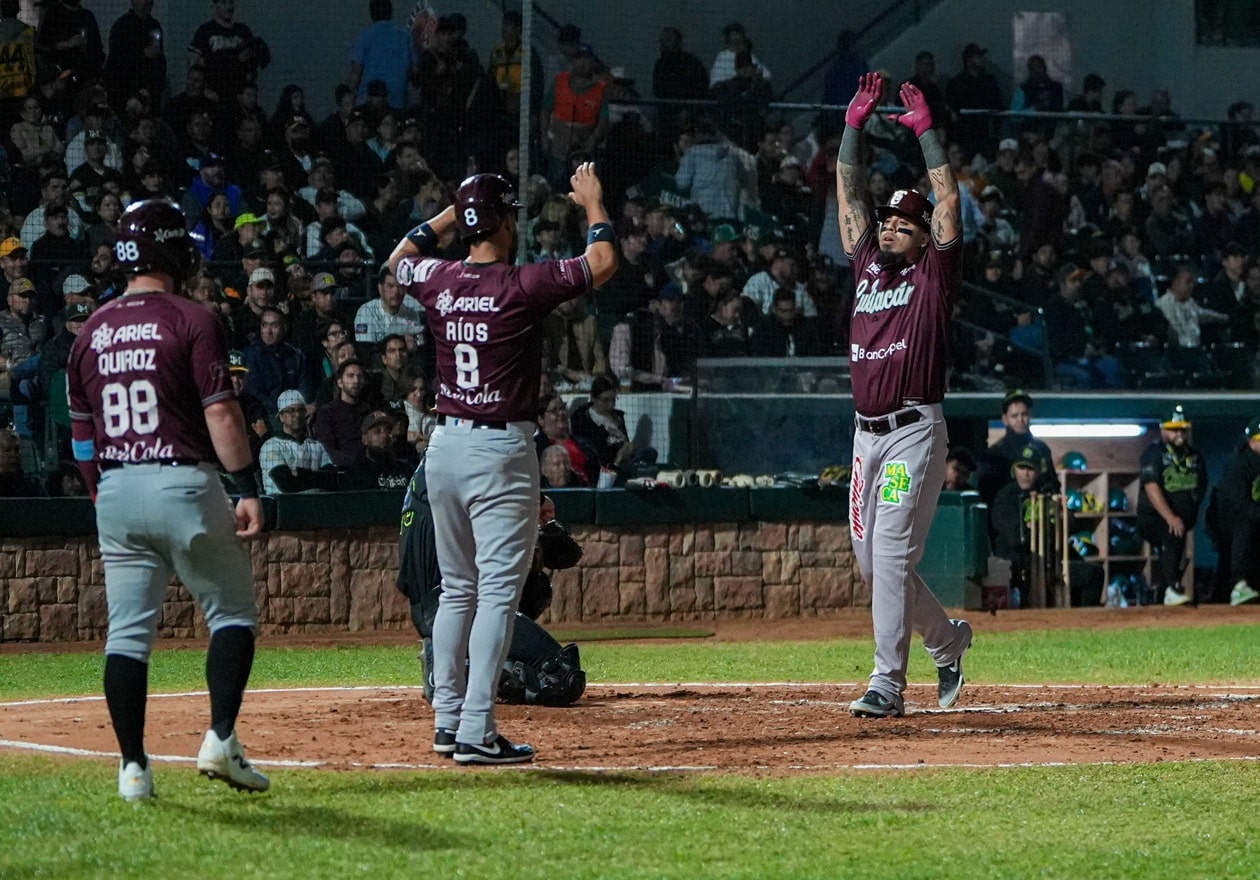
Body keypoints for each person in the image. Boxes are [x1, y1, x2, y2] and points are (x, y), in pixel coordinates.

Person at [386, 163, 617, 764]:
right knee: (494, 594)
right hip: (499, 449)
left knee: (458, 589)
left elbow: (397, 259)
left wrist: (454, 214)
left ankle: (447, 720)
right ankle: (476, 729)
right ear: (506, 220)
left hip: (444, 446)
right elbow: (602, 263)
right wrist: (593, 204)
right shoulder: (519, 284)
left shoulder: (438, 278)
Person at [64, 197, 268, 802]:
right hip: (184, 479)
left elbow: (80, 438)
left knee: (126, 636)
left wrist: (103, 493)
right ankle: (221, 740)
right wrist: (248, 488)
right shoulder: (193, 317)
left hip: (117, 488)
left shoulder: (91, 331)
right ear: (174, 249)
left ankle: (133, 770)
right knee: (231, 614)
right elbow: (223, 414)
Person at [834, 72, 972, 718]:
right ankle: (947, 641)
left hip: (914, 431)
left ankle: (888, 682)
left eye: (902, 225)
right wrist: (852, 127)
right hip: (866, 436)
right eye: (887, 221)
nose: (888, 229)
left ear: (923, 241)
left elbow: (947, 202)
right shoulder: (866, 264)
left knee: (889, 553)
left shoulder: (934, 276)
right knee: (873, 565)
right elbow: (846, 196)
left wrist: (926, 133)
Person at [396, 458, 586, 708]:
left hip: (442, 607)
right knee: (560, 675)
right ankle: (451, 668)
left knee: (532, 586)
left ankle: (454, 660)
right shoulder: (460, 462)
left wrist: (534, 517)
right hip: (451, 607)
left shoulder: (443, 462)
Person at [1137, 405, 1208, 607]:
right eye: (1174, 429)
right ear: (1163, 430)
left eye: (1182, 429)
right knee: (1171, 534)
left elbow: (1202, 484)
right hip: (1153, 517)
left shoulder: (1195, 456)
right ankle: (1172, 588)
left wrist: (1190, 510)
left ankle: (1168, 588)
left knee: (1176, 542)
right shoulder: (1153, 453)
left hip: (1182, 519)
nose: (1179, 434)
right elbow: (1151, 485)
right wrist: (1170, 516)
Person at [1205, 416, 1260, 606]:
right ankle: (1238, 586)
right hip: (1224, 518)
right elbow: (1239, 504)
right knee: (1244, 528)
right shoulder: (1239, 464)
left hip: (1249, 515)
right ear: (1252, 441)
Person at [977, 389, 1058, 507]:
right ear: (1005, 419)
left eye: (1024, 414)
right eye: (1014, 416)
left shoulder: (1042, 449)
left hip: (1040, 514)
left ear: (1030, 415)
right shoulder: (994, 454)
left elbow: (1053, 485)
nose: (1020, 419)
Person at [258, 389, 333, 494]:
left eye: (301, 410)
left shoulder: (317, 445)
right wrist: (317, 477)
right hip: (283, 506)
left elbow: (331, 479)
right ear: (281, 416)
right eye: (291, 411)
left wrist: (299, 473)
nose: (297, 414)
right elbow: (286, 484)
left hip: (315, 505)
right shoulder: (271, 446)